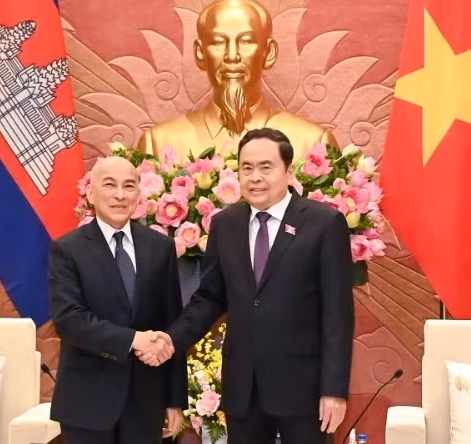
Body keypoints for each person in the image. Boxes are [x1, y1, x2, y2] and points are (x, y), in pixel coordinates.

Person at [143, 128, 354, 444]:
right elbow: (211, 298)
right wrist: (170, 340)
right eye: (247, 168)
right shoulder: (226, 223)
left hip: (305, 390)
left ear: (288, 170)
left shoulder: (323, 223)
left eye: (266, 167)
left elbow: (338, 314)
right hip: (243, 388)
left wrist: (334, 390)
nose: (255, 177)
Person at [48, 156, 187, 444]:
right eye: (110, 185)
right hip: (87, 403)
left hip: (145, 403)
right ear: (90, 192)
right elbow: (69, 320)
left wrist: (175, 398)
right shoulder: (67, 249)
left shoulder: (159, 247)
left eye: (129, 186)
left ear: (139, 194)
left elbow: (172, 323)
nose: (120, 195)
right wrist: (133, 340)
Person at [137, 0, 337, 158]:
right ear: (200, 53)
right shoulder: (157, 145)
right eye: (218, 42)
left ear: (268, 53)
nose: (232, 56)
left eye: (246, 41)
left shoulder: (314, 145)